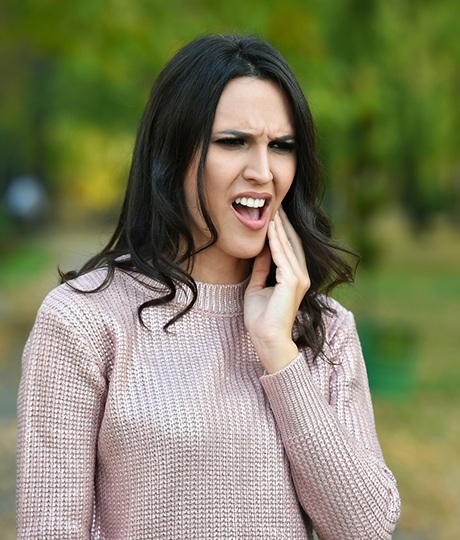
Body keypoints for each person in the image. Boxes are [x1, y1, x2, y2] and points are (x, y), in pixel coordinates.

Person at [16, 34, 401, 539]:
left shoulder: (324, 330)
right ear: (172, 154)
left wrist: (278, 352)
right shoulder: (83, 322)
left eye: (281, 146)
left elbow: (367, 529)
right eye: (233, 141)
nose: (262, 172)